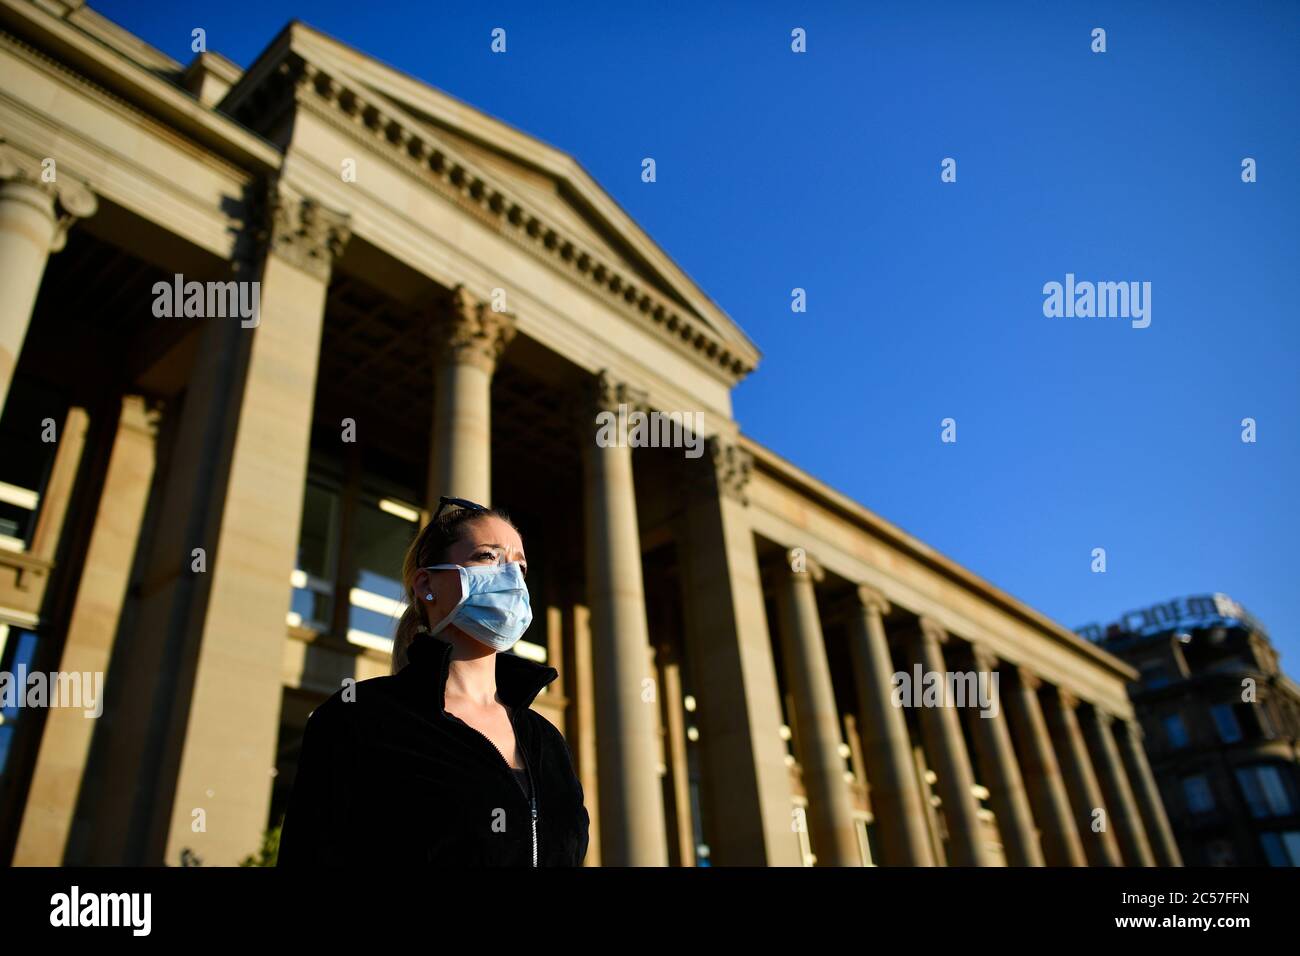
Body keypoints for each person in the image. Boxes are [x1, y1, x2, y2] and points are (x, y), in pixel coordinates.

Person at [277, 496, 590, 866]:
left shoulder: (545, 738)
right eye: (489, 557)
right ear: (427, 584)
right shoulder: (361, 718)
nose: (511, 578)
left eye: (520, 567)